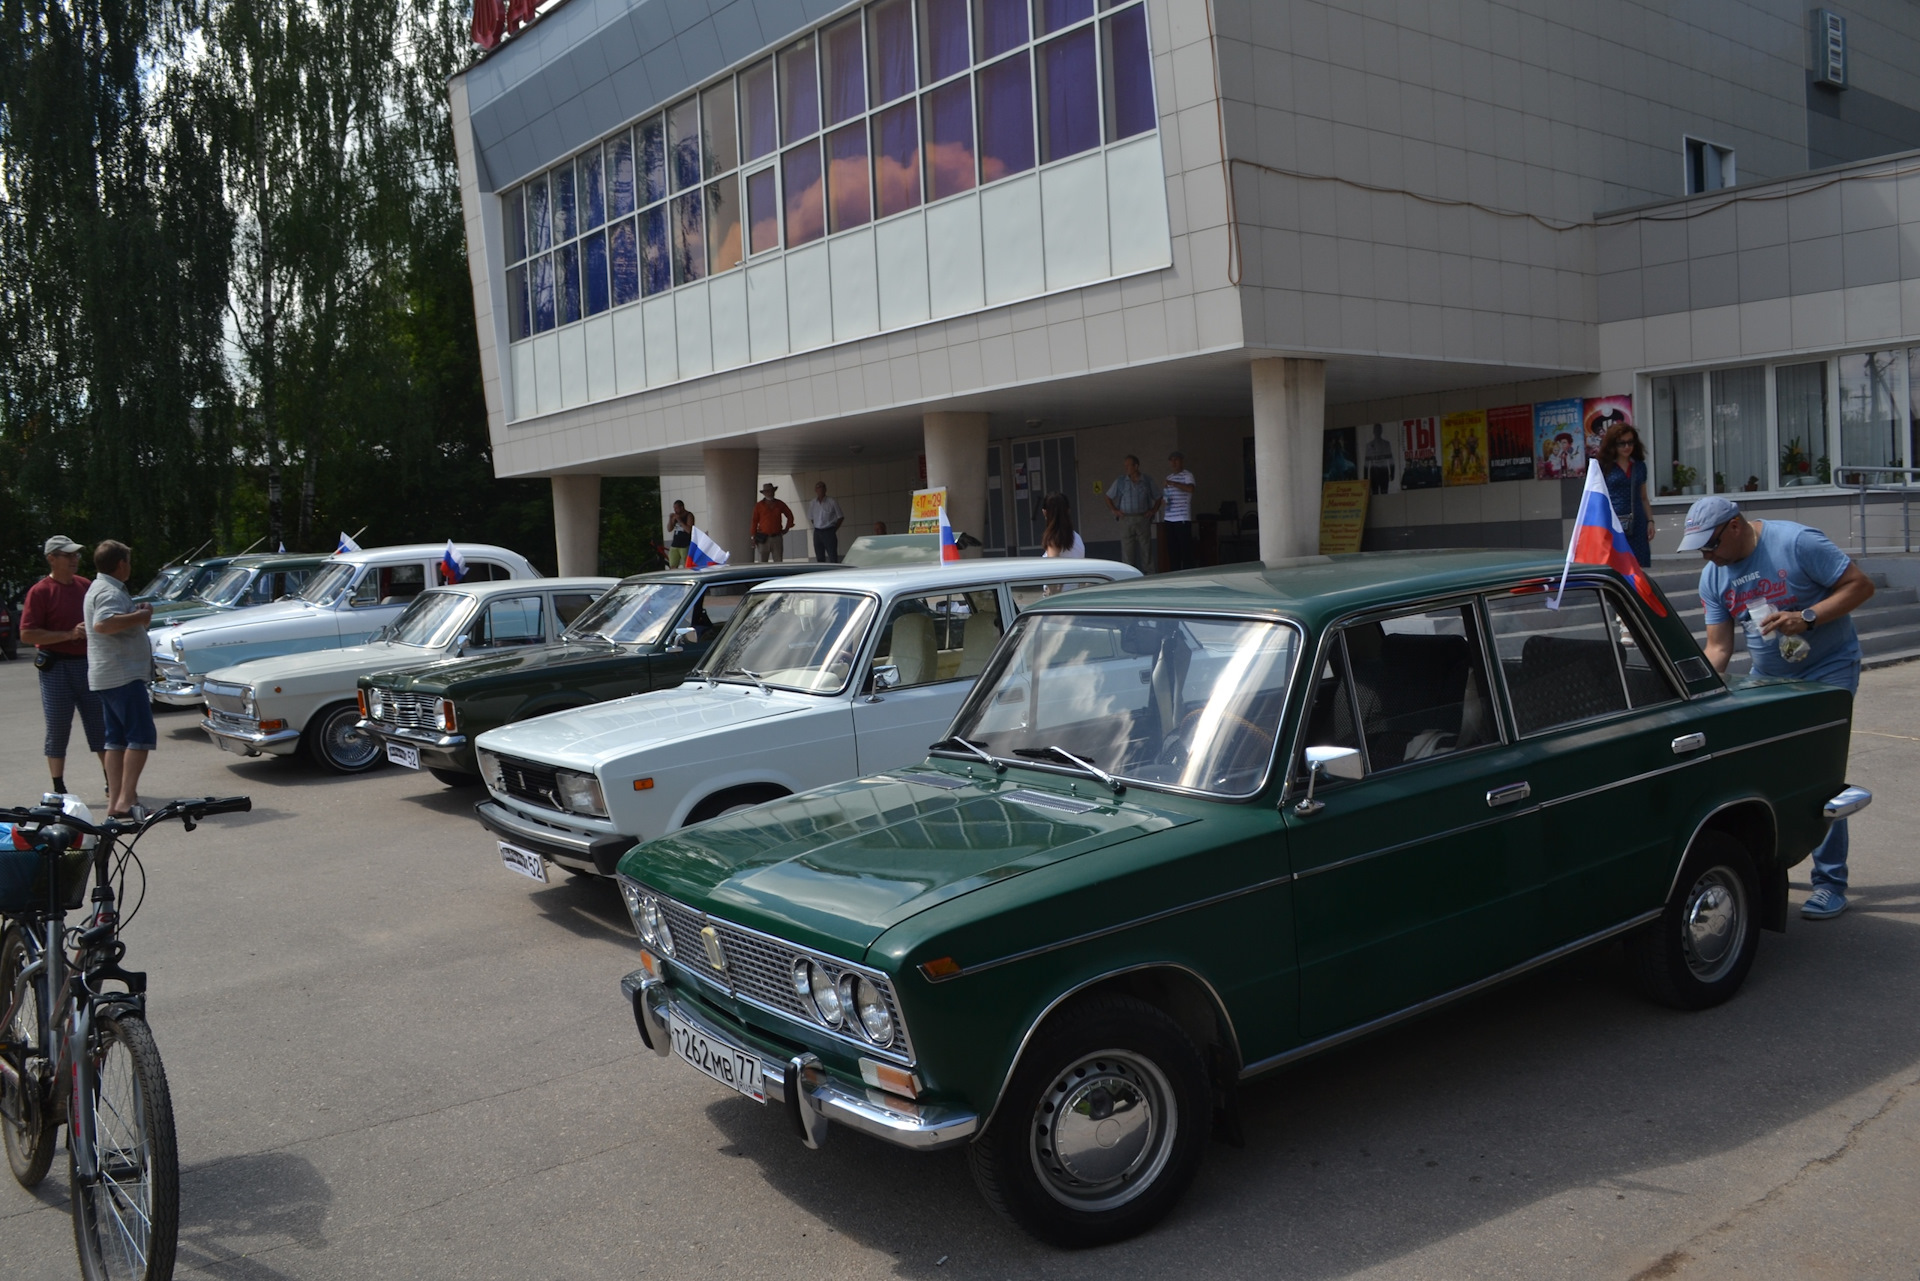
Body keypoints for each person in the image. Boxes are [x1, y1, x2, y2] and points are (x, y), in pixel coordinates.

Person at [1682, 497, 1875, 919]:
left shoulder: (1797, 542)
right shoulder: (1713, 577)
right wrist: (1690, 696)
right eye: (1700, 549)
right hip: (1770, 680)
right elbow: (1718, 647)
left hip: (1830, 669)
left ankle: (1829, 882)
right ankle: (1774, 858)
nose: (1706, 555)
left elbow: (1860, 585)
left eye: (1710, 544)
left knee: (1818, 769)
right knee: (1766, 771)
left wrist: (1805, 617)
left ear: (1734, 526)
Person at [20, 535, 107, 798]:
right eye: (68, 555)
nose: (74, 560)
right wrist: (69, 635)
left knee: (99, 725)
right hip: (56, 667)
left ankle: (111, 781)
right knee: (58, 727)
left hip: (87, 665)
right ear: (51, 559)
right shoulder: (40, 591)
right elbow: (27, 635)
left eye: (76, 555)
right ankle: (58, 787)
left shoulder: (85, 586)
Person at [83, 540, 156, 819]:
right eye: (129, 561)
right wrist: (140, 615)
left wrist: (135, 613)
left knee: (116, 740)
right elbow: (103, 623)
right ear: (121, 564)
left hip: (108, 675)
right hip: (122, 675)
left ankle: (116, 802)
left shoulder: (98, 587)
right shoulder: (108, 590)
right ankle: (126, 800)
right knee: (140, 737)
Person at [1599, 419, 1654, 566]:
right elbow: (1598, 499)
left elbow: (1643, 498)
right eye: (1622, 443)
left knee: (1637, 566)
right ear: (1613, 445)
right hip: (1613, 524)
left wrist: (1650, 521)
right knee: (1616, 566)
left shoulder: (1639, 466)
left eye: (1630, 442)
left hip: (1637, 522)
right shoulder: (1604, 467)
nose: (1627, 446)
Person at [1104, 455, 1158, 573]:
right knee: (1128, 552)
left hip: (1143, 518)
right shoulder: (1121, 481)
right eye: (1125, 466)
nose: (1126, 468)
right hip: (1126, 519)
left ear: (1136, 466)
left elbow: (1158, 497)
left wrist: (1153, 510)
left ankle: (1149, 576)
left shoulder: (1147, 480)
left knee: (1146, 550)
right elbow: (1108, 497)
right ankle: (1130, 576)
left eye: (1129, 465)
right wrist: (1115, 510)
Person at [1163, 452, 1196, 570]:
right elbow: (1166, 497)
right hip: (1169, 517)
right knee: (1172, 549)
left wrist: (1174, 484)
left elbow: (1190, 489)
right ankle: (1174, 572)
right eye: (1171, 460)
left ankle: (1188, 573)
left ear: (1181, 461)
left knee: (1185, 549)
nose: (1173, 463)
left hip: (1182, 518)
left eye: (1176, 460)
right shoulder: (1169, 477)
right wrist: (1165, 497)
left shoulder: (1187, 475)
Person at [750, 483, 794, 562]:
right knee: (762, 562)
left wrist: (787, 528)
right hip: (763, 538)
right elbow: (754, 521)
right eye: (767, 491)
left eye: (771, 491)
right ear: (764, 493)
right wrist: (753, 536)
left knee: (778, 561)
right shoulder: (759, 506)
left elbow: (790, 515)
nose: (770, 493)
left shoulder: (780, 504)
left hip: (776, 537)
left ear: (774, 491)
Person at [807, 482, 845, 563]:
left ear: (825, 489)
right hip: (817, 531)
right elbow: (811, 518)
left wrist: (834, 529)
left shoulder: (832, 501)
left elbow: (840, 517)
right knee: (819, 557)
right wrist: (817, 526)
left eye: (822, 487)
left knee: (832, 556)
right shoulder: (812, 503)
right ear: (815, 490)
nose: (820, 489)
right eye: (818, 487)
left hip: (829, 530)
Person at [1039, 493, 1084, 558]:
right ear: (1068, 510)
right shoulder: (1077, 538)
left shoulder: (1054, 538)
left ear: (1044, 512)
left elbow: (1052, 564)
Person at [1363, 424, 1396, 495]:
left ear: (1381, 431)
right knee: (1375, 494)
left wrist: (1392, 473)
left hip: (1384, 472)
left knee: (1384, 493)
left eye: (1379, 430)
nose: (1377, 431)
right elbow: (1366, 462)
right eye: (1376, 430)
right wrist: (1365, 477)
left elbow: (1391, 460)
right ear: (1373, 431)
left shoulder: (1386, 444)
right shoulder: (1369, 445)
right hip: (1374, 472)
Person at [666, 501, 694, 568]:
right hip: (675, 544)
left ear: (681, 507)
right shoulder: (675, 517)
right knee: (672, 565)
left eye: (676, 508)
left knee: (687, 565)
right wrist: (670, 519)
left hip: (685, 545)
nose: (675, 510)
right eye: (674, 508)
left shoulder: (689, 515)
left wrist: (680, 521)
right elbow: (669, 529)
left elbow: (689, 530)